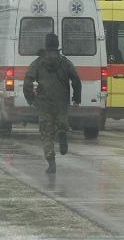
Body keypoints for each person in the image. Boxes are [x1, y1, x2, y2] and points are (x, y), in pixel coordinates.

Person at [23, 31, 81, 175]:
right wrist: (76, 98)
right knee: (61, 123)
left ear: (46, 45)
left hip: (44, 103)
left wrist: (31, 99)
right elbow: (76, 80)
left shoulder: (38, 62)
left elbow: (27, 81)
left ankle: (51, 163)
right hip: (61, 102)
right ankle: (62, 131)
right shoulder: (65, 62)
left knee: (46, 134)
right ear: (57, 46)